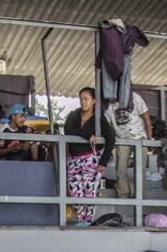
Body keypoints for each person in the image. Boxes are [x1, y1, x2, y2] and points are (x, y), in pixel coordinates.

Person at [63, 87, 115, 226]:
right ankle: (81, 221)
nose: (83, 102)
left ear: (94, 101)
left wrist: (103, 162)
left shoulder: (99, 118)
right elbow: (68, 130)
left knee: (89, 192)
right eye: (81, 98)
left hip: (91, 159)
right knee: (74, 191)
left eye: (86, 99)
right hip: (73, 160)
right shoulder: (73, 115)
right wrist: (86, 136)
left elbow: (111, 139)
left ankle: (87, 222)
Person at [104, 91, 152, 198]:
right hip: (122, 139)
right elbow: (106, 124)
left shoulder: (134, 96)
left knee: (140, 169)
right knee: (120, 168)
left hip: (139, 137)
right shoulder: (108, 103)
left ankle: (137, 194)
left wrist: (149, 138)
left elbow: (146, 116)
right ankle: (123, 193)